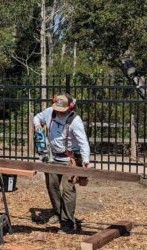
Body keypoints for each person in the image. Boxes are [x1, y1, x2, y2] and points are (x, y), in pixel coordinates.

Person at [33, 93, 90, 234]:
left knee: (68, 190)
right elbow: (36, 117)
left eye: (61, 109)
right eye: (57, 108)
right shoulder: (49, 113)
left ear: (69, 107)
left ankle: (67, 223)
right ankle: (59, 213)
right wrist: (37, 125)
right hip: (52, 157)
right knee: (52, 187)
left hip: (71, 160)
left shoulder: (75, 120)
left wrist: (86, 161)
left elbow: (83, 142)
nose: (58, 112)